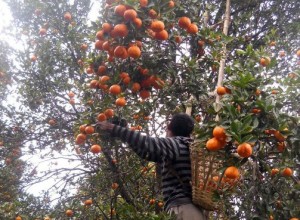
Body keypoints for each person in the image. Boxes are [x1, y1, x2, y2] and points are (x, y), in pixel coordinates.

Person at [97, 113, 207, 220]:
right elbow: (146, 152)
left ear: (170, 129)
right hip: (189, 209)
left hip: (184, 209)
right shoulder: (184, 146)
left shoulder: (177, 144)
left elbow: (148, 142)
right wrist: (125, 132)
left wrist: (112, 128)